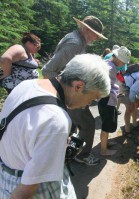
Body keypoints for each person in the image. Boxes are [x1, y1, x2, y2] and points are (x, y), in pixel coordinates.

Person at [0, 54, 111, 198]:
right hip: (33, 187)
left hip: (6, 176)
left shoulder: (26, 85)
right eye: (92, 98)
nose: (88, 104)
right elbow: (23, 193)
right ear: (78, 86)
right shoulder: (56, 120)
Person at [41, 16, 107, 165]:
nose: (96, 38)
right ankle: (82, 155)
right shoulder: (75, 43)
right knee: (88, 123)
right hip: (69, 93)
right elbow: (48, 71)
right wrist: (66, 94)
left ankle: (66, 152)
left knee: (72, 124)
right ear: (85, 29)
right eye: (95, 34)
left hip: (71, 90)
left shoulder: (77, 39)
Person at [97, 46, 131, 156]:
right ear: (118, 59)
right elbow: (104, 85)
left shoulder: (109, 64)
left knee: (108, 120)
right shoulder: (110, 68)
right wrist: (114, 91)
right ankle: (103, 150)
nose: (123, 65)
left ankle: (105, 143)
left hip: (106, 97)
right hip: (106, 98)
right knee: (106, 124)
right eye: (123, 62)